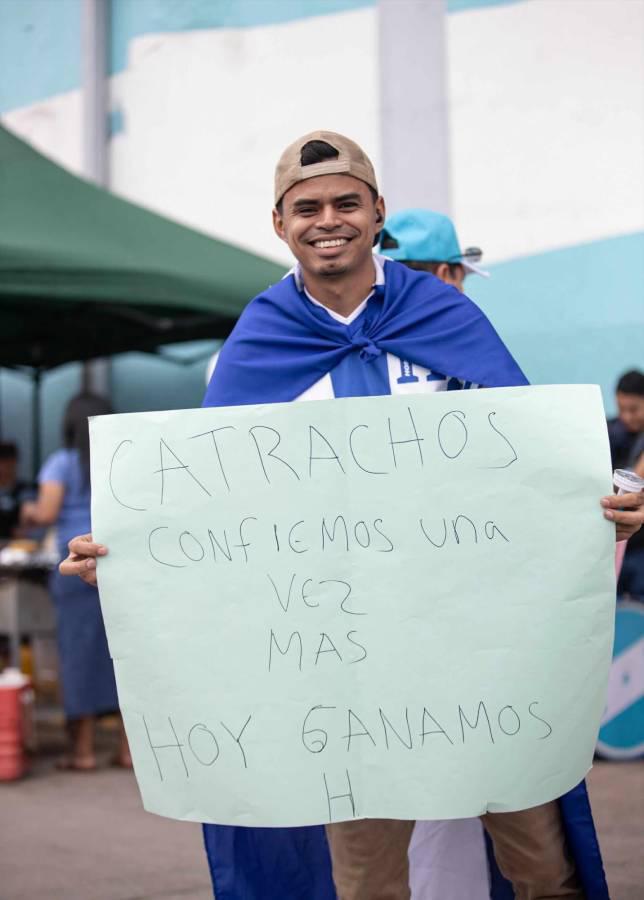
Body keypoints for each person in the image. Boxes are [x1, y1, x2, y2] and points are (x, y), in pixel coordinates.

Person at [59, 133, 644, 899]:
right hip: (343, 669)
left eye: (345, 203)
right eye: (307, 208)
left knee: (538, 860)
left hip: (476, 646)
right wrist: (128, 557)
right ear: (279, 223)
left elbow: (527, 458)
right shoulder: (258, 339)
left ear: (377, 215)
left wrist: (607, 503)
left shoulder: (440, 315)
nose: (326, 220)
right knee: (367, 880)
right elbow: (204, 501)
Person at [21, 393, 130, 771]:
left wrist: (29, 511)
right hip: (116, 561)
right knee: (125, 657)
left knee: (78, 657)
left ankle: (82, 752)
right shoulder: (119, 461)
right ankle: (128, 751)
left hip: (76, 564)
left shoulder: (62, 462)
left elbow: (47, 511)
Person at [607, 370, 644, 598]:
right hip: (614, 543)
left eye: (634, 410)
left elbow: (637, 482)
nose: (627, 417)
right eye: (622, 409)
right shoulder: (608, 432)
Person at [0, 441, 34, 540]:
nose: (2, 467)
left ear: (14, 462)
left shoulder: (25, 490)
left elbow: (32, 522)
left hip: (16, 547)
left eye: (7, 462)